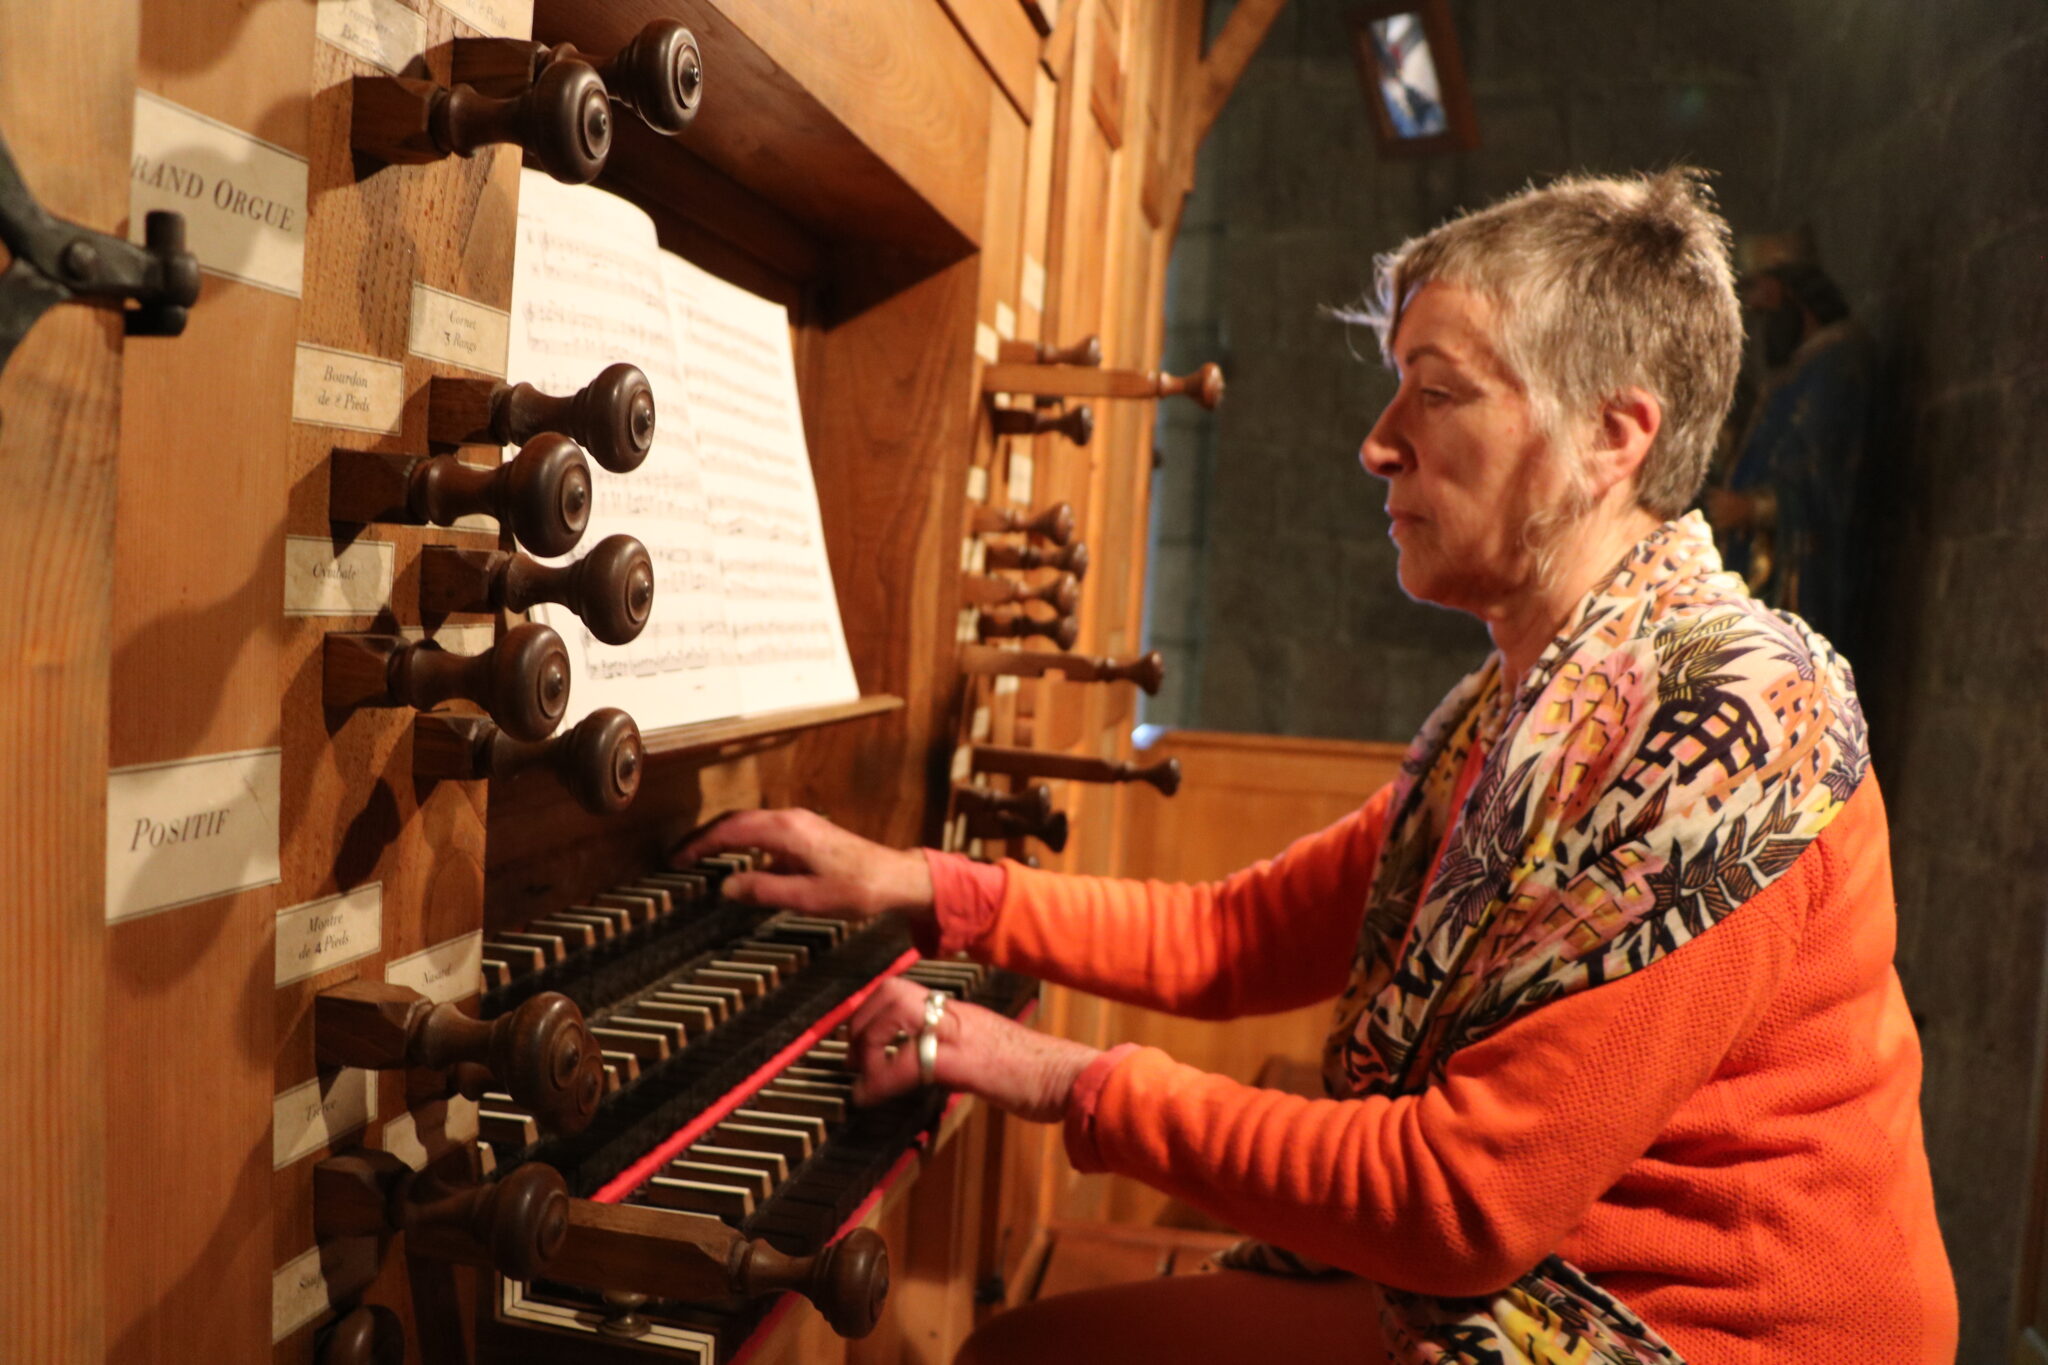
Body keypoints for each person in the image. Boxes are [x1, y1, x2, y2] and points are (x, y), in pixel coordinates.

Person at [679, 170, 1956, 1364]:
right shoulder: (1523, 710)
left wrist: (1039, 1069)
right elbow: (1238, 938)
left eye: (1435, 391)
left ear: (1613, 436)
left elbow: (1461, 1203)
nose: (1377, 442)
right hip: (1542, 1269)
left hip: (1704, 1338)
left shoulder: (1732, 717)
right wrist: (918, 884)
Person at [1705, 229, 1877, 648]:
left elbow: (1831, 476)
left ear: (1794, 294)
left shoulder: (1838, 362)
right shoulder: (1793, 373)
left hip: (1801, 571)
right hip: (1755, 565)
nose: (1757, 308)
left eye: (1765, 294)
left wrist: (1756, 507)